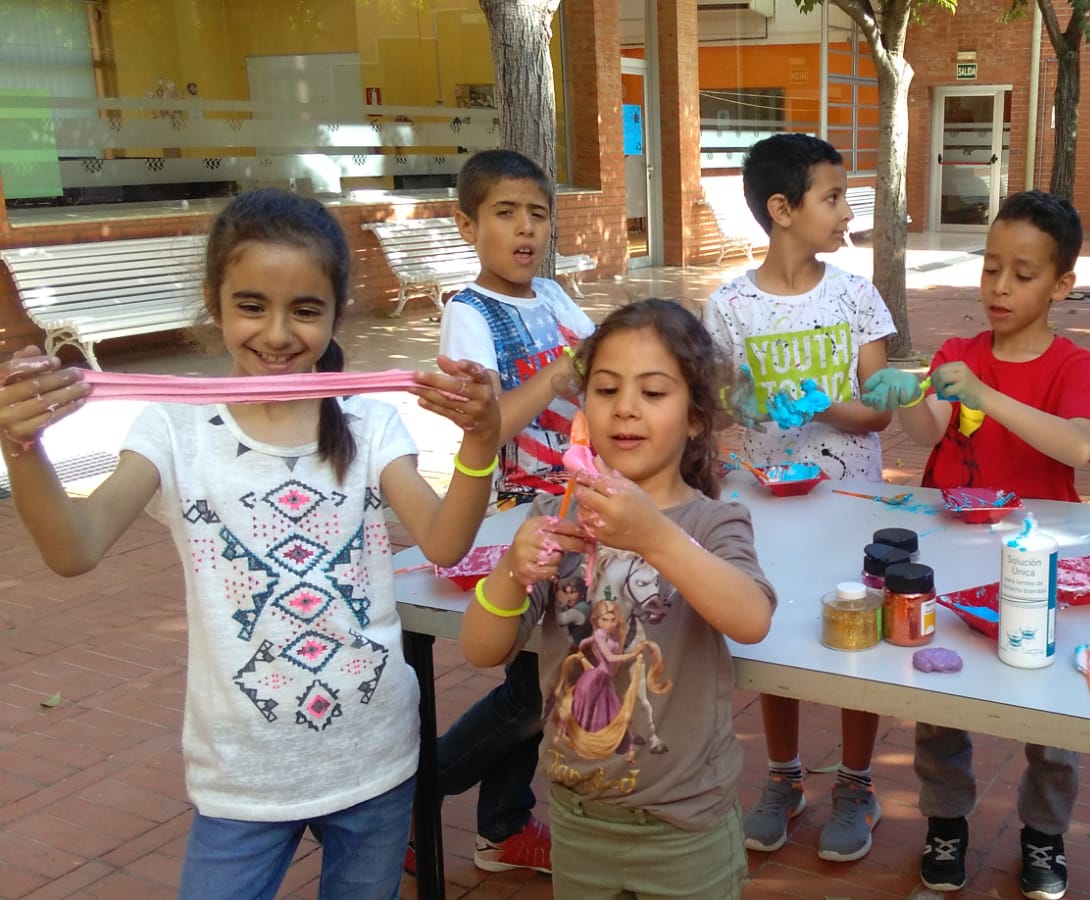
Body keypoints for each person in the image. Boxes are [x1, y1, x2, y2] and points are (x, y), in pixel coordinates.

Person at [0, 188, 502, 900]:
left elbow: (447, 543)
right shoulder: (173, 430)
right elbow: (73, 549)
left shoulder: (368, 422)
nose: (277, 333)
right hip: (242, 774)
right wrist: (22, 449)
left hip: (377, 757)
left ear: (334, 311)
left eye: (305, 309)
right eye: (251, 305)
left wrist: (480, 442)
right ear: (216, 303)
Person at [460, 298, 776, 899]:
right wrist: (510, 570)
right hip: (578, 821)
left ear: (695, 419)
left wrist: (655, 538)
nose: (626, 408)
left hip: (683, 827)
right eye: (606, 390)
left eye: (653, 393)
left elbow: (751, 616)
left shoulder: (712, 523)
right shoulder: (557, 518)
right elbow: (480, 648)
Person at [861, 189, 1090, 900]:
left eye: (1023, 274)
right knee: (942, 703)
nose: (1000, 287)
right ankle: (946, 825)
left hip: (1038, 561)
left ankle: (1044, 835)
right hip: (953, 554)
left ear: (1062, 283)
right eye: (991, 267)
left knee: (1050, 715)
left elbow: (1081, 444)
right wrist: (908, 394)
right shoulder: (958, 352)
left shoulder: (1071, 366)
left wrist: (988, 395)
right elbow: (930, 431)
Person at [700, 132, 896, 863]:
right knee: (775, 634)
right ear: (782, 209)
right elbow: (711, 405)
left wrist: (818, 401)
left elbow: (877, 409)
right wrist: (741, 403)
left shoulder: (855, 295)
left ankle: (857, 782)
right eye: (834, 196)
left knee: (854, 633)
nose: (846, 211)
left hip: (851, 504)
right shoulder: (728, 306)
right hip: (764, 507)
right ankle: (783, 778)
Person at [418, 149, 598, 876]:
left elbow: (599, 373)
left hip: (580, 507)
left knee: (534, 676)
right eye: (505, 213)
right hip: (521, 518)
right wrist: (563, 370)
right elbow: (484, 427)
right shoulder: (469, 314)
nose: (526, 230)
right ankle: (415, 791)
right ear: (467, 224)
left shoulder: (553, 295)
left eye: (538, 213)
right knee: (536, 688)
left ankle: (501, 827)